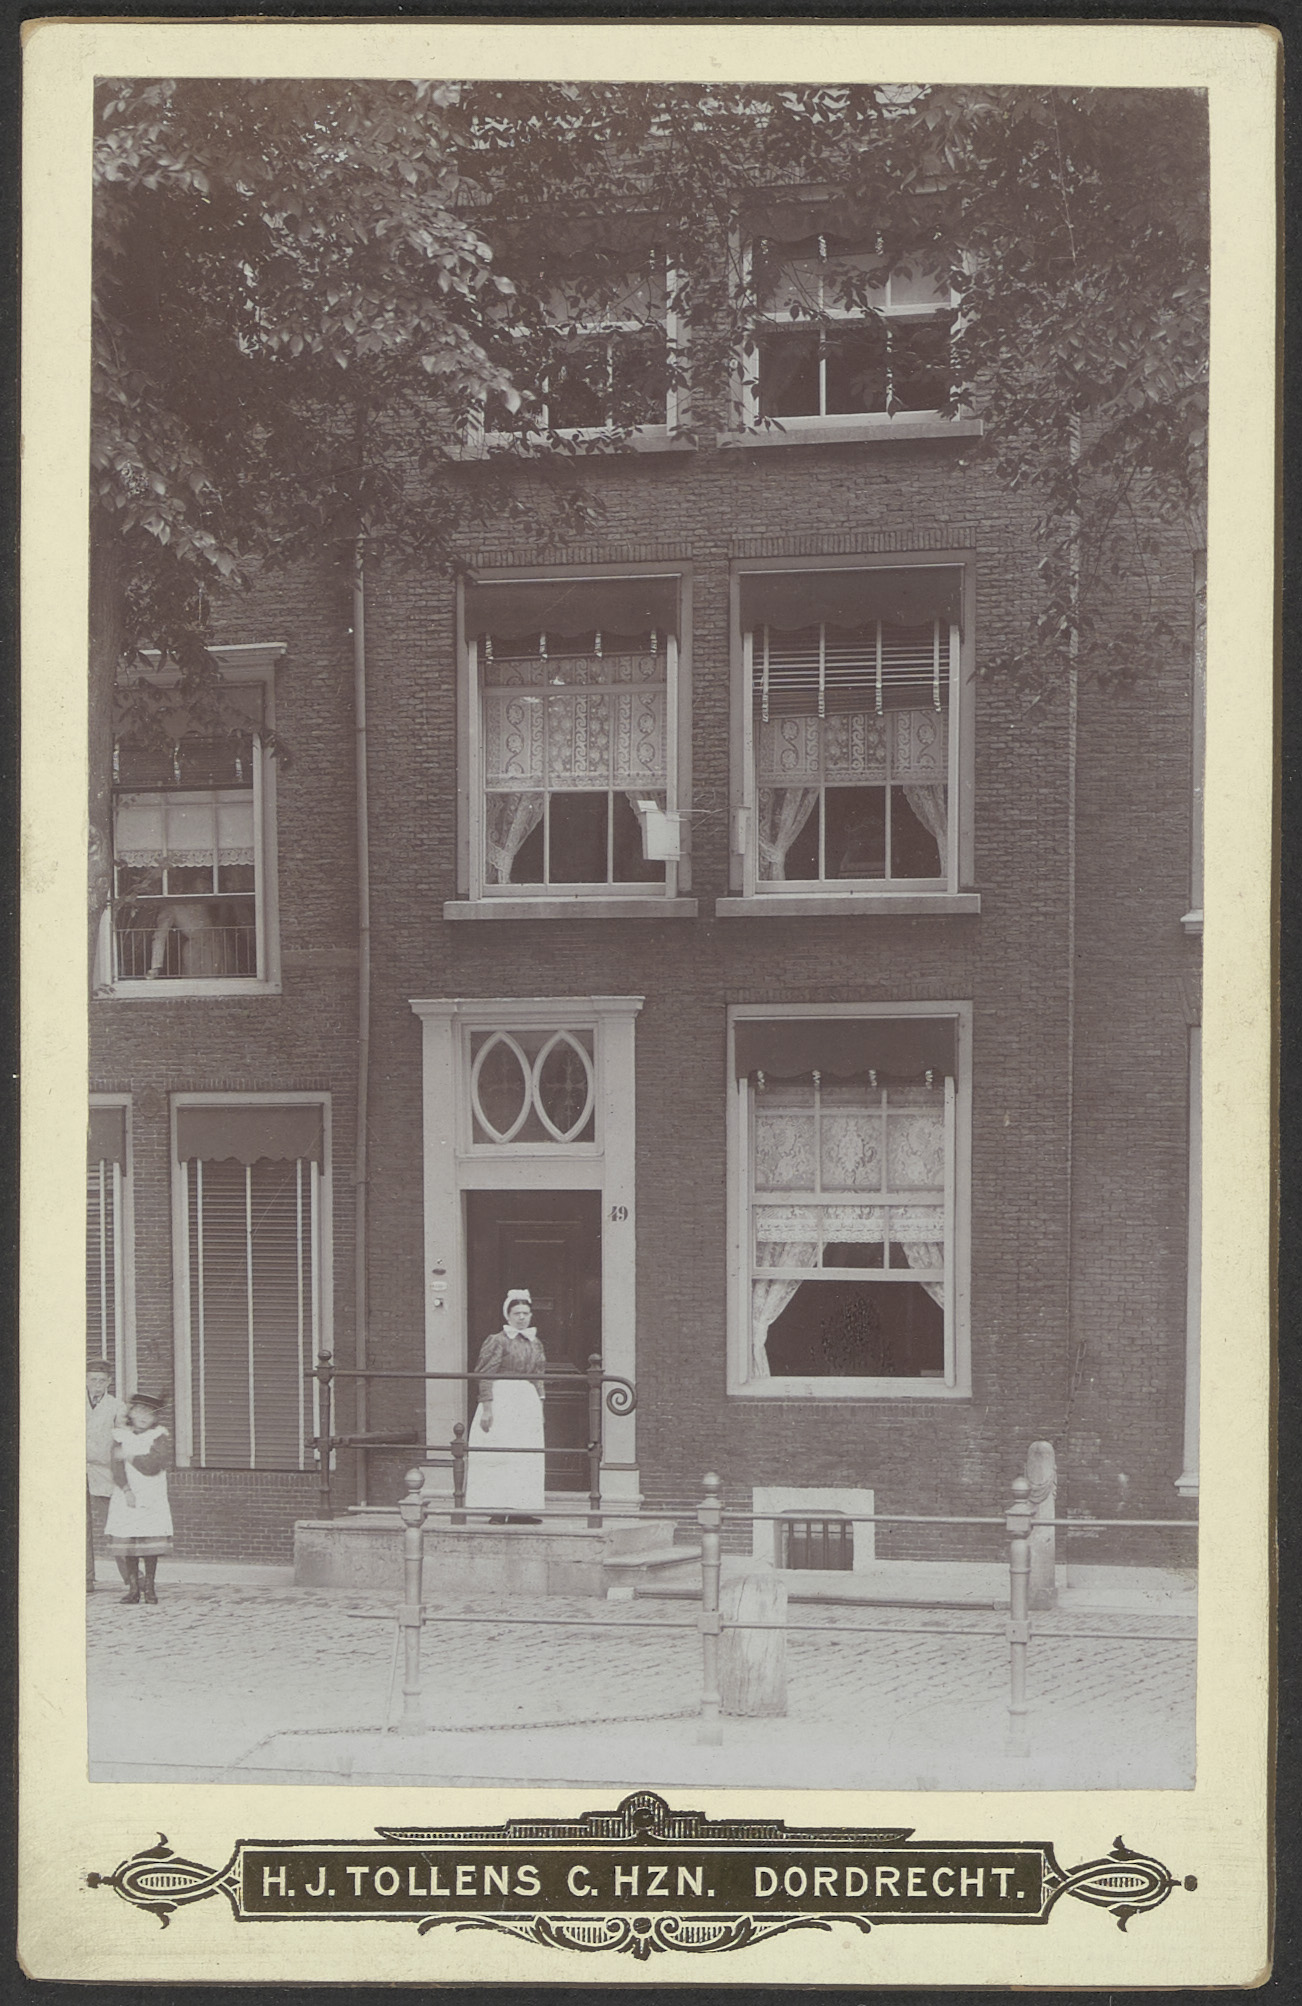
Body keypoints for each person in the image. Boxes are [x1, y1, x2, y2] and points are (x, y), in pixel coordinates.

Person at [464, 1288, 546, 1524]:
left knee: (525, 1454)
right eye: (517, 1313)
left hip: (526, 1401)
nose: (521, 1317)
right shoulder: (497, 1341)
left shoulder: (536, 1343)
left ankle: (522, 1509)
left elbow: (539, 1376)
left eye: (525, 1313)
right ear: (507, 1315)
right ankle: (498, 1509)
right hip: (503, 1399)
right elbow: (485, 1374)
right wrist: (487, 1408)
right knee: (501, 1452)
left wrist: (540, 1406)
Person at [104, 1392, 174, 1604]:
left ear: (155, 1417)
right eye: (139, 1411)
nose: (144, 1417)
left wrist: (130, 1456)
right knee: (129, 1544)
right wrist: (126, 1490)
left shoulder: (159, 1436)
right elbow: (116, 1466)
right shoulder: (120, 1436)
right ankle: (134, 1589)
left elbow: (153, 1464)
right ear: (131, 1413)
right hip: (127, 1496)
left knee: (149, 1543)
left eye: (149, 1413)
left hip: (151, 1495)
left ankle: (150, 1588)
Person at [86, 1359, 127, 1593]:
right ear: (85, 1380)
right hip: (76, 1469)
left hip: (103, 1471)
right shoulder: (71, 1402)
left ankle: (131, 1577)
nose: (97, 1385)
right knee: (78, 1525)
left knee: (112, 1524)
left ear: (109, 1382)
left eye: (102, 1380)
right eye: (93, 1379)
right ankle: (85, 1578)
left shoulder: (116, 1406)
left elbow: (122, 1439)